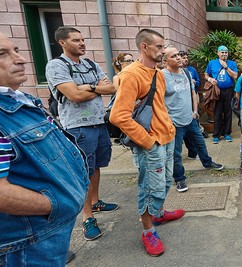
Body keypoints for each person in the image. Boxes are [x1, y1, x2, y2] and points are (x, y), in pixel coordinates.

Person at [0, 32, 89, 266]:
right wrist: (58, 204)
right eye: (3, 54)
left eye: (16, 50)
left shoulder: (17, 98)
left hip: (47, 232)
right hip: (27, 241)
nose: (20, 59)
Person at [109, 29, 185, 257]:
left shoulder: (158, 74)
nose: (163, 51)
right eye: (159, 47)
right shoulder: (131, 74)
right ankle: (148, 231)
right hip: (151, 143)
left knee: (165, 182)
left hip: (167, 137)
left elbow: (159, 107)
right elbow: (118, 116)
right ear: (144, 47)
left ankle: (159, 214)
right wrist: (148, 142)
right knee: (149, 188)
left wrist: (168, 129)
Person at [45, 26, 118, 241]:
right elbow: (74, 95)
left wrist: (88, 87)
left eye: (83, 39)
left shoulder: (90, 64)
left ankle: (95, 202)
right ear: (63, 43)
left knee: (95, 166)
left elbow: (111, 88)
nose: (82, 43)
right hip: (77, 126)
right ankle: (87, 217)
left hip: (98, 122)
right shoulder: (57, 66)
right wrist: (93, 88)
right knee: (83, 171)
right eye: (76, 40)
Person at [162, 46, 224, 193]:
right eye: (174, 56)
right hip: (174, 123)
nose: (178, 58)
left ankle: (207, 163)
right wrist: (167, 119)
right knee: (176, 153)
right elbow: (158, 100)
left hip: (190, 119)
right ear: (165, 60)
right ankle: (179, 178)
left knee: (200, 144)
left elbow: (192, 92)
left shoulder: (185, 73)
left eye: (178, 55)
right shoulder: (162, 76)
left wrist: (195, 111)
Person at [205, 45, 238, 144]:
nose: (224, 54)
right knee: (218, 112)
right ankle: (216, 135)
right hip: (217, 91)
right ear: (218, 53)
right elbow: (206, 74)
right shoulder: (212, 63)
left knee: (228, 112)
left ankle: (227, 134)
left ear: (228, 54)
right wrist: (210, 79)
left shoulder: (232, 63)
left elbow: (235, 76)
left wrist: (226, 67)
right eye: (222, 52)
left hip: (229, 90)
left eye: (226, 52)